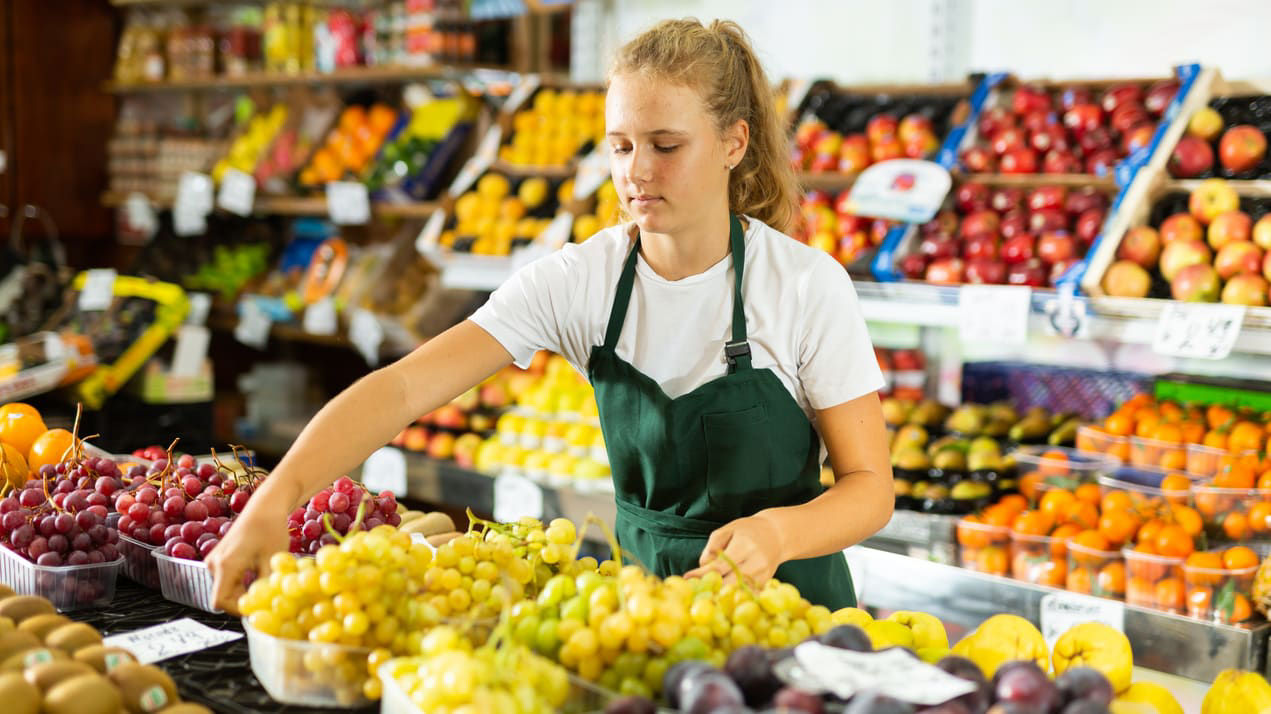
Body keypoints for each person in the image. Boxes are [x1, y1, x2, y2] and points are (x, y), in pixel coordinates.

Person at [209, 18, 893, 612]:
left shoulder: (803, 285)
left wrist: (778, 533)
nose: (636, 173)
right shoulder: (581, 281)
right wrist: (275, 500)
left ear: (733, 144)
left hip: (795, 613)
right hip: (648, 609)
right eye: (620, 146)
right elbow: (401, 389)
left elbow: (869, 488)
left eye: (665, 145)